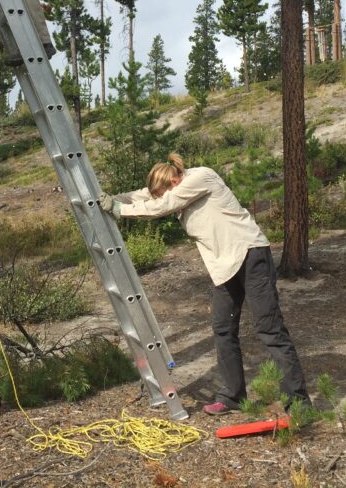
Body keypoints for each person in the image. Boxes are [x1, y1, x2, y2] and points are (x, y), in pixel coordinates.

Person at [100, 154, 311, 416]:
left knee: (269, 328)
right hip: (225, 268)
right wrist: (114, 198)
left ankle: (299, 401)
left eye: (164, 191)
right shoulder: (174, 187)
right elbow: (146, 196)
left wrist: (119, 210)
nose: (163, 197)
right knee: (223, 329)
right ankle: (233, 395)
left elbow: (161, 205)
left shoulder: (201, 177)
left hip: (250, 255)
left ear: (174, 181)